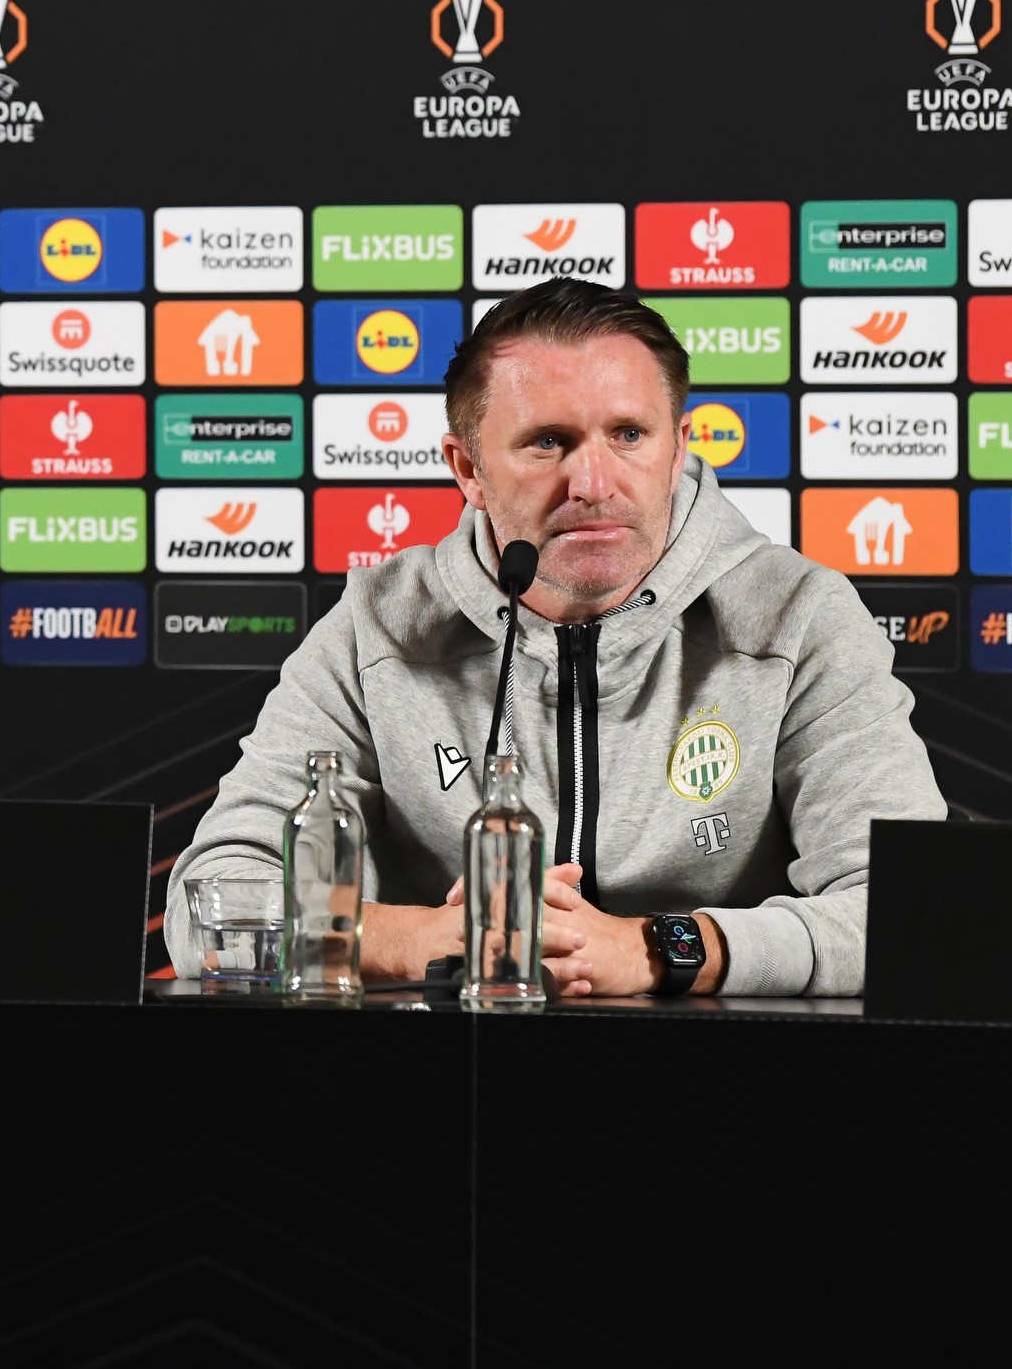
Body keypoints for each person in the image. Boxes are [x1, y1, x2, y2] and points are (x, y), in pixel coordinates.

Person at [165, 279, 943, 997]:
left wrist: (659, 947)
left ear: (678, 447)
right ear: (467, 468)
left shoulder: (796, 617)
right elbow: (209, 907)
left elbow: (909, 911)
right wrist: (423, 938)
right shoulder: (379, 627)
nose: (593, 484)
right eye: (547, 442)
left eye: (629, 434)